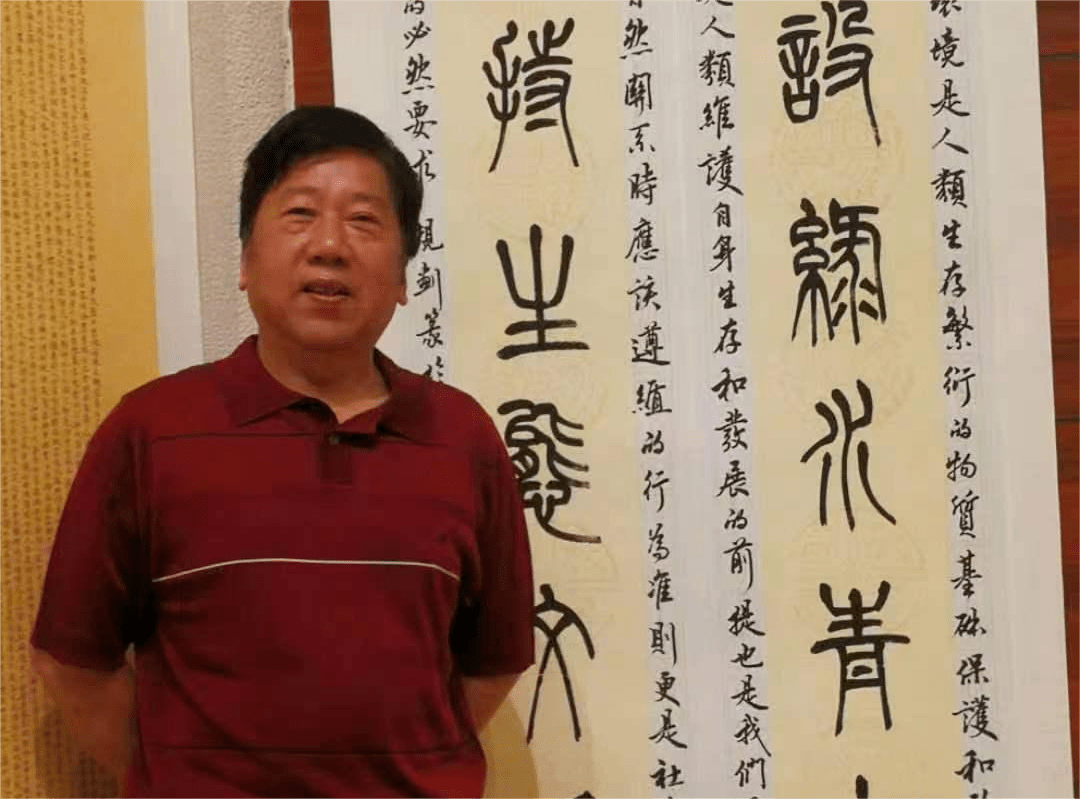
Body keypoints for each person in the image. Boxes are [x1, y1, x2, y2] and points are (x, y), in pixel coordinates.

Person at [30, 106, 535, 799]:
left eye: (364, 220)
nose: (330, 245)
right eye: (300, 213)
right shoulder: (150, 431)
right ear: (244, 259)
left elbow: (493, 661)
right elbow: (72, 660)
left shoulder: (461, 437)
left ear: (403, 276)